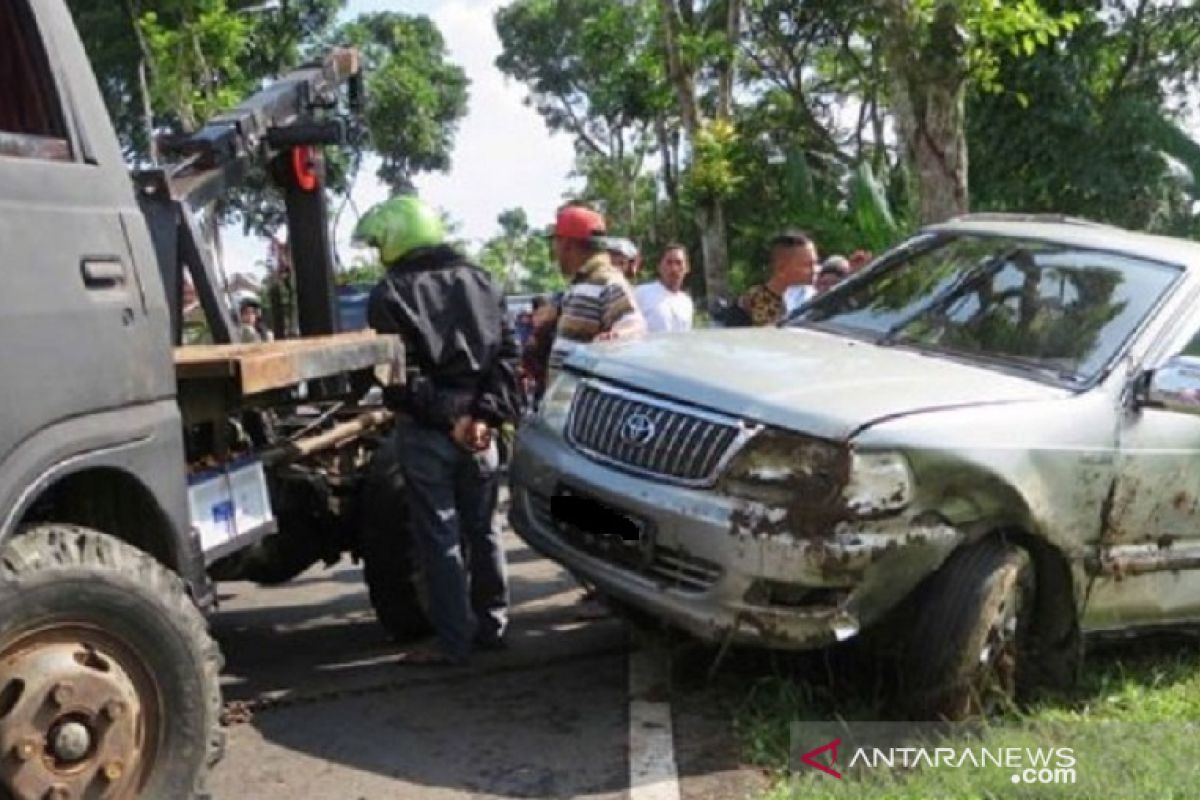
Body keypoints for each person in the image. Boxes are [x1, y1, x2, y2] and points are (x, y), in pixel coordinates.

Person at [357, 195, 524, 666]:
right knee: (485, 529)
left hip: (431, 431)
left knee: (440, 537)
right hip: (481, 431)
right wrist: (485, 418)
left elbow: (396, 379)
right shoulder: (482, 281)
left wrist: (451, 421)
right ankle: (492, 627)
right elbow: (507, 358)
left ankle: (454, 643)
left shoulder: (389, 294)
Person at [548, 205, 645, 371]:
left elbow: (634, 325)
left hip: (582, 394)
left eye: (556, 242)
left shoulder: (607, 280)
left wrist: (616, 336)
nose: (555, 250)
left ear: (567, 244)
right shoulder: (582, 282)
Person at [738, 231, 819, 325]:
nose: (815, 270)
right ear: (782, 269)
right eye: (807, 265)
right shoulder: (751, 302)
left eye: (815, 263)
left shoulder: (815, 299)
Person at [634, 243, 694, 333]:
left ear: (687, 268)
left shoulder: (686, 302)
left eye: (679, 263)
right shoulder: (641, 293)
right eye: (669, 262)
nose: (674, 268)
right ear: (659, 267)